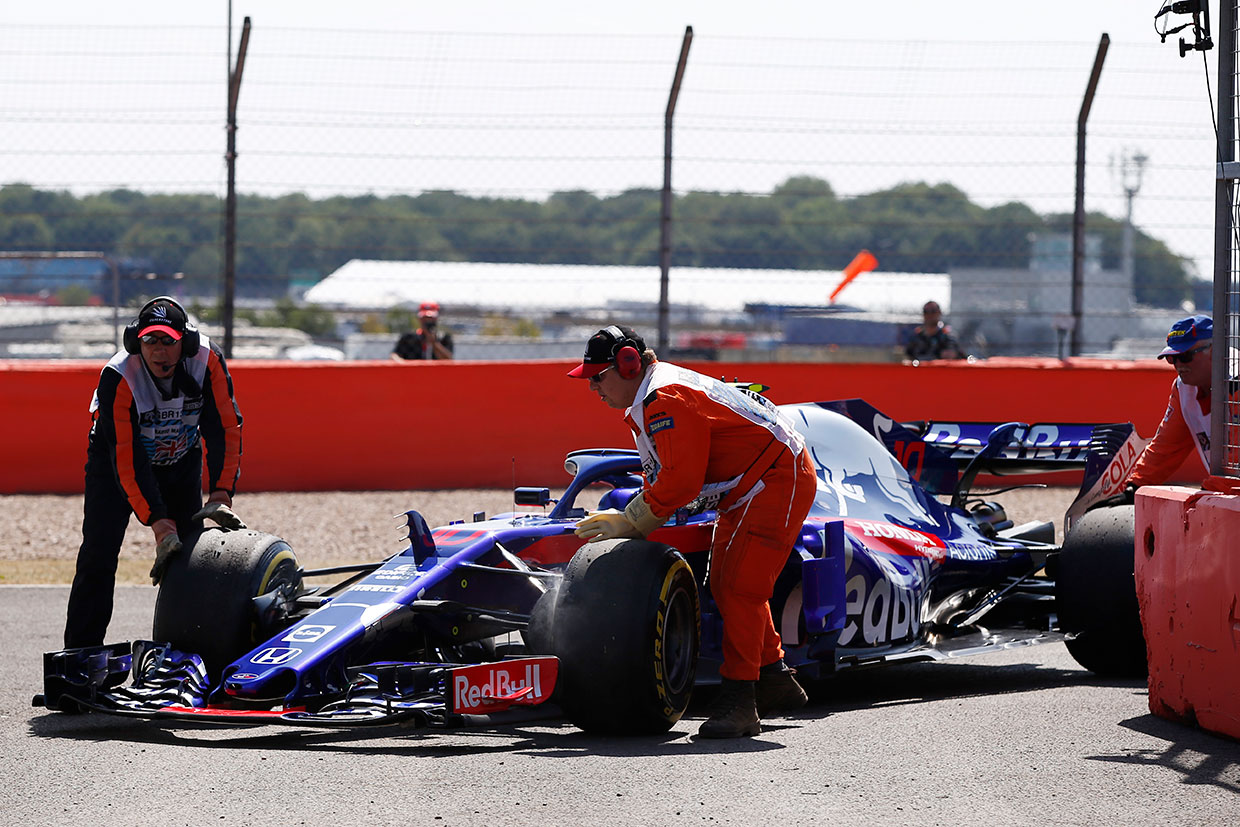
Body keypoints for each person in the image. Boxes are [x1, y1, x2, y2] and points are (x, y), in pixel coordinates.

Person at [568, 324, 817, 739]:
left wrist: (632, 521)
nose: (593, 386)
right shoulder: (653, 395)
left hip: (775, 479)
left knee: (739, 588)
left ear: (628, 364)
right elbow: (670, 474)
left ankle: (740, 702)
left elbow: (681, 483)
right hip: (752, 483)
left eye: (598, 376)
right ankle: (773, 678)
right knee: (726, 583)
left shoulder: (666, 398)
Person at [64, 297, 245, 649]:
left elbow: (226, 428)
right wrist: (159, 523)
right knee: (98, 556)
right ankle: (80, 657)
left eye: (167, 342)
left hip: (181, 458)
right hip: (116, 463)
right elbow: (127, 460)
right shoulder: (118, 377)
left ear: (185, 343)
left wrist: (222, 492)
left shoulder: (207, 361)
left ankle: (190, 654)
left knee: (190, 560)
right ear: (136, 342)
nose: (158, 352)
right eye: (150, 341)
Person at [1125, 314, 1214, 490]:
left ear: (1215, 350)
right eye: (1172, 358)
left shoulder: (1235, 380)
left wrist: (1210, 496)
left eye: (1186, 355)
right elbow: (1167, 445)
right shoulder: (1184, 388)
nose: (1179, 365)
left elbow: (1234, 468)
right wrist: (1136, 486)